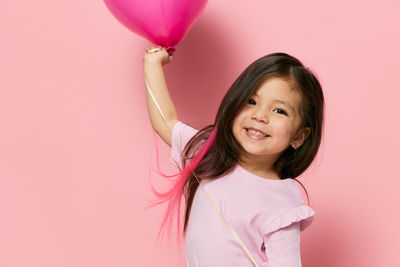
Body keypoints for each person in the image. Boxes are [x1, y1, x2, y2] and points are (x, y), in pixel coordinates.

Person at [143, 46, 325, 266]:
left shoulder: (282, 203)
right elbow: (166, 122)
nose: (259, 116)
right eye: (251, 101)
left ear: (299, 136)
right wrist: (152, 64)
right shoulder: (211, 152)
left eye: (279, 110)